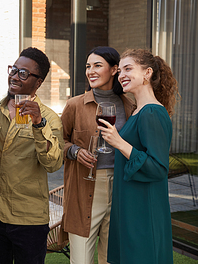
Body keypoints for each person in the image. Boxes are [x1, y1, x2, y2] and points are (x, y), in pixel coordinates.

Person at [0, 47, 64, 264]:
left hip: (28, 218)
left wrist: (38, 124)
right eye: (14, 70)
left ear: (38, 82)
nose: (15, 76)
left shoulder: (49, 118)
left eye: (23, 73)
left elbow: (53, 163)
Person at [98, 49, 178, 264]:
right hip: (130, 205)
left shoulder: (152, 112)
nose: (121, 74)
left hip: (144, 209)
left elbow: (158, 167)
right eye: (120, 70)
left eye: (128, 68)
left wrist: (119, 143)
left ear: (147, 73)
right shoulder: (137, 110)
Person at [61, 46, 135, 264]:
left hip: (121, 186)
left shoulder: (129, 106)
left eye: (97, 65)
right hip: (85, 187)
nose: (90, 71)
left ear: (114, 70)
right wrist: (74, 151)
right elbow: (57, 142)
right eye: (88, 66)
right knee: (81, 260)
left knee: (110, 258)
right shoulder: (75, 105)